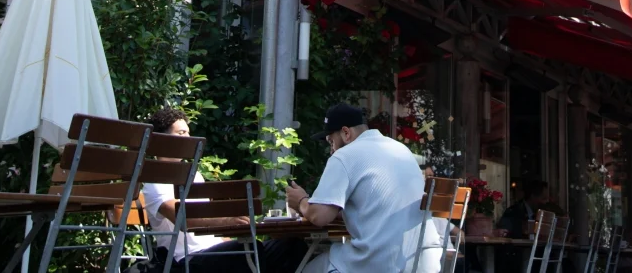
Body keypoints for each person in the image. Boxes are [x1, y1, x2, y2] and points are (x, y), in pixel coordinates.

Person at [285, 102, 441, 273]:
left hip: (381, 264)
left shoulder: (344, 156)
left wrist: (300, 200)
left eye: (331, 142)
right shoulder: (400, 149)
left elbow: (319, 217)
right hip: (425, 262)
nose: (331, 150)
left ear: (345, 133)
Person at [141, 107, 296, 273]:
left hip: (213, 250)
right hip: (187, 259)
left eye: (188, 133)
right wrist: (227, 221)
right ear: (162, 139)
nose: (188, 138)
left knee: (290, 246)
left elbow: (209, 225)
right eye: (181, 133)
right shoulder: (154, 181)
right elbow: (183, 219)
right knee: (250, 251)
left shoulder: (195, 175)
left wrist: (227, 236)